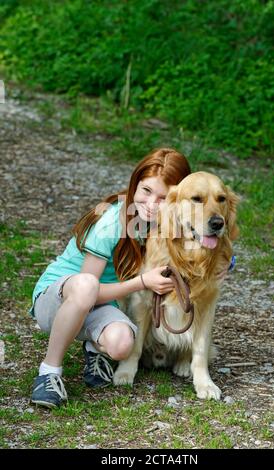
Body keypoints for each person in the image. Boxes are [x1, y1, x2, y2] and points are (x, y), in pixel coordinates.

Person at [29, 148, 193, 409]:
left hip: (101, 305)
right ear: (134, 185)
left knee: (121, 344)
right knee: (86, 285)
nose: (151, 205)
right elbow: (89, 290)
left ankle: (96, 349)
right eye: (146, 191)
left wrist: (225, 263)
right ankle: (49, 372)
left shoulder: (168, 222)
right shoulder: (113, 221)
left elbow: (207, 242)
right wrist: (142, 282)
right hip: (58, 299)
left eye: (163, 197)